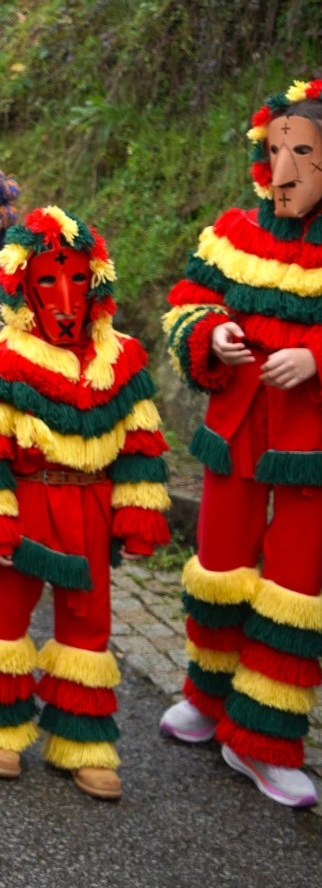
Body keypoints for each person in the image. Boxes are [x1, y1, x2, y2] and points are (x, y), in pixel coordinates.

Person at [0, 208, 170, 801]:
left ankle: (84, 742)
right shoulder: (3, 357)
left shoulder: (123, 357)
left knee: (89, 625)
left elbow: (141, 441)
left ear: (96, 280)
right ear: (24, 287)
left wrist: (138, 510)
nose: (65, 296)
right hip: (29, 503)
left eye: (75, 278)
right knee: (5, 614)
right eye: (47, 279)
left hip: (91, 506)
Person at [158, 78, 322, 809]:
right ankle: (207, 695)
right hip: (235, 429)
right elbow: (187, 302)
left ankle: (262, 740)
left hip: (309, 444)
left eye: (304, 154)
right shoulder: (232, 232)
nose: (283, 169)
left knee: (292, 590)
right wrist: (208, 332)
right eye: (277, 148)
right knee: (217, 567)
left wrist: (317, 356)